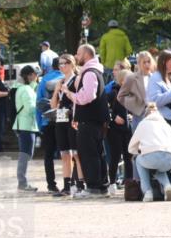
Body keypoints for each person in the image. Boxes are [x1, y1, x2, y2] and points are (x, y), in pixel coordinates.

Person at [66, 44, 108, 197]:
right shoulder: (94, 71)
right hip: (93, 119)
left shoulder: (90, 73)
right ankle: (101, 186)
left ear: (86, 55)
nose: (76, 57)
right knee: (97, 153)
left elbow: (88, 96)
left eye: (78, 54)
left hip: (89, 120)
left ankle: (93, 187)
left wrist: (70, 94)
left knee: (89, 153)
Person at [128, 102, 171, 202]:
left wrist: (141, 152)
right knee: (159, 169)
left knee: (138, 160)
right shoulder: (166, 125)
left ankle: (148, 192)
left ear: (146, 115)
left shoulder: (143, 123)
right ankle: (167, 186)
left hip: (152, 157)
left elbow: (131, 148)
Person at [51, 54, 84, 197]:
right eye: (60, 64)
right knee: (64, 153)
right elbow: (53, 105)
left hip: (72, 117)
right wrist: (56, 91)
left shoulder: (76, 80)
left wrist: (66, 91)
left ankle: (81, 184)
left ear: (72, 64)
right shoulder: (60, 81)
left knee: (76, 153)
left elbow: (79, 100)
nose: (61, 66)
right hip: (60, 117)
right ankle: (67, 185)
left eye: (64, 63)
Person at [36, 56, 64, 194]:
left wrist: (40, 124)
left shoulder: (44, 80)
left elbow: (38, 104)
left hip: (48, 120)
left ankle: (51, 184)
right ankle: (70, 182)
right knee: (67, 153)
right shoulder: (67, 77)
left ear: (52, 66)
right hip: (64, 119)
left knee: (48, 155)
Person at [105, 62, 134, 195]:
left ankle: (129, 182)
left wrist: (132, 116)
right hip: (114, 130)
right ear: (122, 81)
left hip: (128, 130)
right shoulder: (112, 93)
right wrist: (113, 117)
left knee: (128, 156)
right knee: (115, 157)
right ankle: (112, 182)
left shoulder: (132, 95)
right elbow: (105, 109)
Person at [11, 65, 40, 191]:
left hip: (22, 124)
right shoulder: (26, 90)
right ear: (29, 75)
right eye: (34, 74)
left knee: (26, 154)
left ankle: (22, 182)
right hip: (27, 125)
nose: (36, 77)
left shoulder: (21, 88)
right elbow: (30, 108)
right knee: (26, 154)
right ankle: (22, 182)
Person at [147, 50, 171, 132]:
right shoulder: (155, 78)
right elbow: (155, 101)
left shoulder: (169, 78)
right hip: (162, 121)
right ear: (164, 62)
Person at [118, 51, 154, 129]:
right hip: (139, 116)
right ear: (139, 63)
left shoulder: (154, 78)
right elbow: (120, 96)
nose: (147, 64)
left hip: (153, 115)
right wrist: (135, 106)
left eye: (149, 61)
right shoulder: (132, 78)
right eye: (144, 62)